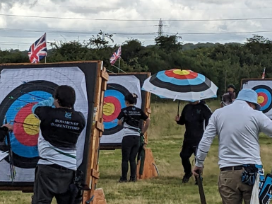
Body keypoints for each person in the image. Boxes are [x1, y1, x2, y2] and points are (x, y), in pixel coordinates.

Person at [193, 89, 272, 204]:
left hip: (227, 173)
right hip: (252, 173)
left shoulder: (218, 114)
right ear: (251, 103)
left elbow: (206, 140)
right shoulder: (255, 114)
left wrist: (199, 163)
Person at [31, 85, 86, 204]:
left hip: (47, 167)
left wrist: (51, 100)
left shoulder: (47, 113)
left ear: (57, 100)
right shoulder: (80, 118)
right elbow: (67, 115)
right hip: (69, 169)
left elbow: (35, 108)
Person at [175, 100, 212, 183]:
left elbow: (210, 120)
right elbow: (182, 121)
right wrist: (178, 120)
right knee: (183, 156)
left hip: (199, 138)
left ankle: (198, 177)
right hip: (188, 137)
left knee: (198, 158)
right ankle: (187, 172)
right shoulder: (186, 107)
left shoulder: (203, 107)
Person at [117, 93, 150, 182]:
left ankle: (124, 178)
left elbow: (119, 123)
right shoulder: (139, 111)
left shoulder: (124, 111)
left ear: (126, 102)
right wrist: (143, 132)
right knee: (132, 158)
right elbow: (148, 119)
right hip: (136, 137)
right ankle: (133, 178)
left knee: (125, 159)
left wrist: (123, 121)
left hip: (127, 136)